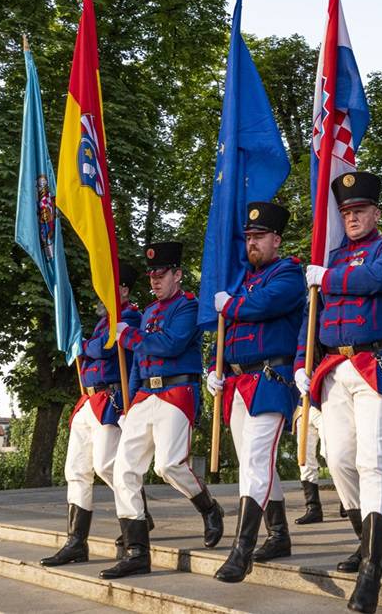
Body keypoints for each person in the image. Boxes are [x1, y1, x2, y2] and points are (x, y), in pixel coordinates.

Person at [295, 171, 382, 614]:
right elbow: (310, 321)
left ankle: (372, 566)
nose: (352, 217)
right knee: (338, 459)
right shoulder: (333, 256)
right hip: (334, 368)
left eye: (360, 210)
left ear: (376, 212)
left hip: (377, 365)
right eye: (346, 212)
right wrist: (299, 367)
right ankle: (364, 542)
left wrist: (327, 277)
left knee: (371, 460)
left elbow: (379, 279)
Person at [101, 242, 224, 579]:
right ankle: (137, 551)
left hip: (177, 390)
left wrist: (129, 338)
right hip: (145, 395)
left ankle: (209, 508)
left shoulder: (189, 307)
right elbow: (141, 361)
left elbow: (170, 345)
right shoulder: (150, 312)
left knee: (169, 465)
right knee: (123, 468)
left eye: (162, 274)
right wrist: (131, 401)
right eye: (152, 275)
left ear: (177, 274)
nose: (155, 280)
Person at [206, 202, 305, 583]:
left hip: (270, 379)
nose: (252, 243)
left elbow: (264, 305)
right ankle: (279, 534)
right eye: (248, 237)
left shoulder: (289, 274)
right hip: (238, 382)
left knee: (255, 462)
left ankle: (241, 550)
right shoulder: (243, 280)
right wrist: (214, 371)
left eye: (259, 236)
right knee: (253, 461)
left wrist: (231, 305)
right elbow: (229, 333)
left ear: (276, 240)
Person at [41, 265, 144, 568]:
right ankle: (76, 542)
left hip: (109, 399)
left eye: (107, 289)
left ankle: (138, 512)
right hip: (88, 399)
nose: (99, 296)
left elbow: (105, 348)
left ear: (123, 291)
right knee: (75, 470)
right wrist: (85, 345)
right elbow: (94, 349)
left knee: (106, 466)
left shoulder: (131, 318)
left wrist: (83, 345)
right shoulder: (102, 323)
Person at [295, 404, 327, 521]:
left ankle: (347, 501)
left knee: (330, 453)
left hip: (323, 405)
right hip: (302, 408)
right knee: (304, 460)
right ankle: (313, 508)